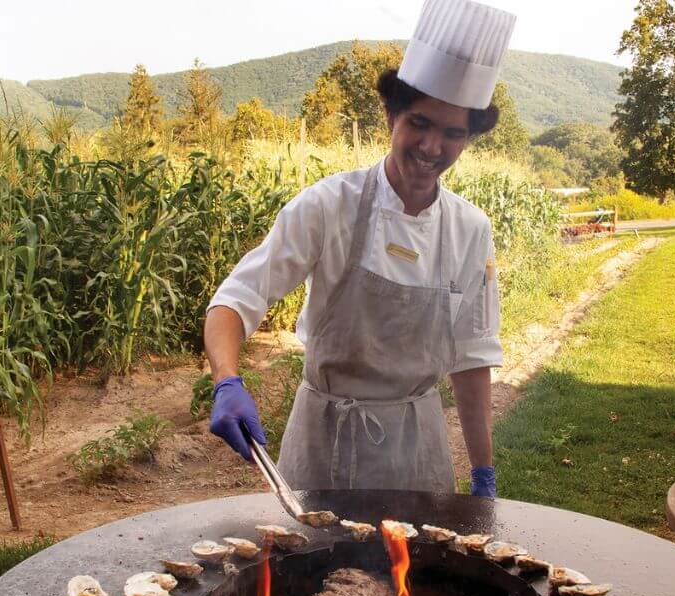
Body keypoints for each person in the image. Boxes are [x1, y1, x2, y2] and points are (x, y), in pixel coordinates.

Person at [203, 0, 515, 499]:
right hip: (323, 442)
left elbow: (472, 359)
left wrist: (483, 474)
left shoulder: (470, 229)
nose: (433, 147)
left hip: (418, 452)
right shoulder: (330, 206)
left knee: (418, 571)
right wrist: (226, 381)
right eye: (419, 123)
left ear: (468, 138)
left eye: (453, 133)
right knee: (307, 572)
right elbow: (236, 300)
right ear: (391, 115)